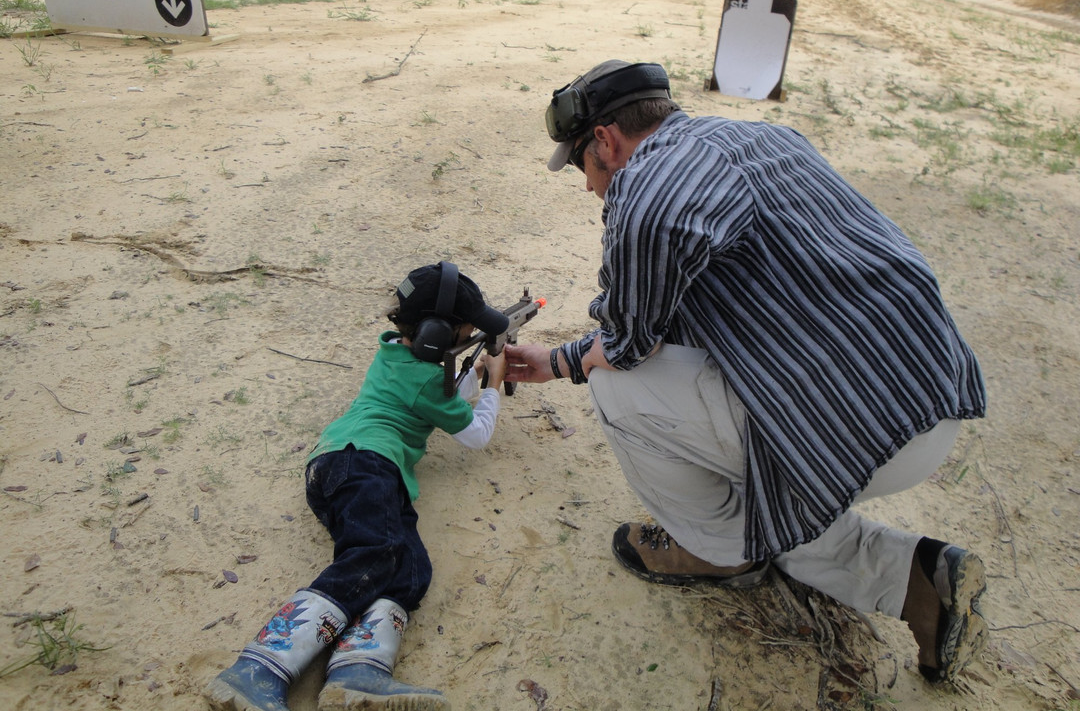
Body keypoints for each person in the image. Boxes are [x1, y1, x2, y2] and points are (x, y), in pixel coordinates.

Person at [505, 60, 989, 684]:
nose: (588, 186)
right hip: (932, 393)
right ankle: (921, 581)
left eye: (581, 166)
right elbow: (675, 315)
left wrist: (565, 364)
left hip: (862, 432)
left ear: (605, 139)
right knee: (708, 393)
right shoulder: (766, 137)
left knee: (617, 387)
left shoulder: (645, 189)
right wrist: (565, 356)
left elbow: (627, 347)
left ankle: (721, 551)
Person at [205, 261, 508, 711]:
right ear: (436, 336)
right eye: (467, 330)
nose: (471, 337)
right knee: (376, 553)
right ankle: (259, 668)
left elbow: (439, 395)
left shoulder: (394, 352)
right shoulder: (428, 378)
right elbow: (475, 433)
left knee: (410, 570)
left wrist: (472, 376)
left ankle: (359, 672)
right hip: (365, 463)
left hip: (343, 464)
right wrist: (495, 383)